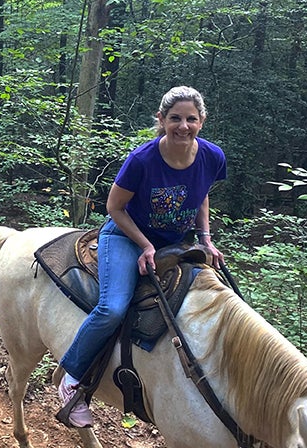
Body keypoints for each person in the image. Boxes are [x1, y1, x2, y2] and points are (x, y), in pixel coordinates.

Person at [57, 85, 227, 428]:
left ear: (202, 120)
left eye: (191, 119)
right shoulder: (142, 160)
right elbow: (114, 207)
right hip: (126, 236)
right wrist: (145, 244)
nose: (183, 126)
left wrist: (206, 239)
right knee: (113, 307)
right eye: (175, 118)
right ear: (161, 119)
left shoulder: (212, 156)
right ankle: (71, 378)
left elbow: (202, 196)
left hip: (175, 243)